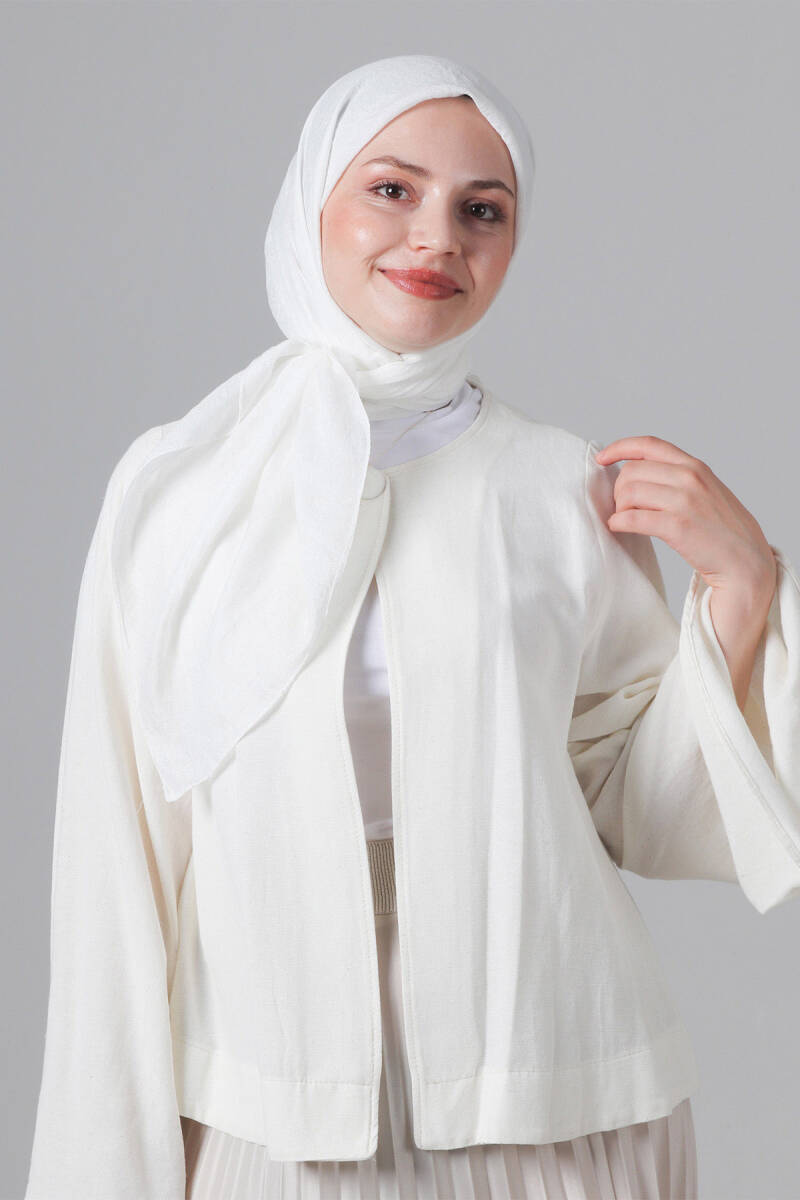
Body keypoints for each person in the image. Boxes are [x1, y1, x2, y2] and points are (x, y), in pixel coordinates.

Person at [24, 54, 800, 1200]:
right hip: (271, 1112)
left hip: (562, 1109)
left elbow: (642, 803)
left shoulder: (556, 485)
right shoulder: (184, 489)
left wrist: (740, 581)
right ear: (311, 202)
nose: (437, 237)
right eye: (390, 189)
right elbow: (117, 856)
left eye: (482, 209)